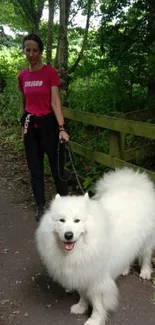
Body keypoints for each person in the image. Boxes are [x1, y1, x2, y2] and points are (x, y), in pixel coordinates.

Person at [18, 33, 69, 222]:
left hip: (49, 125)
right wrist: (23, 129)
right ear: (24, 51)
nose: (31, 54)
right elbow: (25, 105)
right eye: (28, 50)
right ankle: (40, 205)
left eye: (35, 50)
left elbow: (56, 102)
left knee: (57, 168)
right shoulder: (22, 76)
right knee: (35, 169)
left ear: (40, 52)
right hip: (31, 125)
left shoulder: (50, 73)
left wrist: (62, 127)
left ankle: (65, 207)